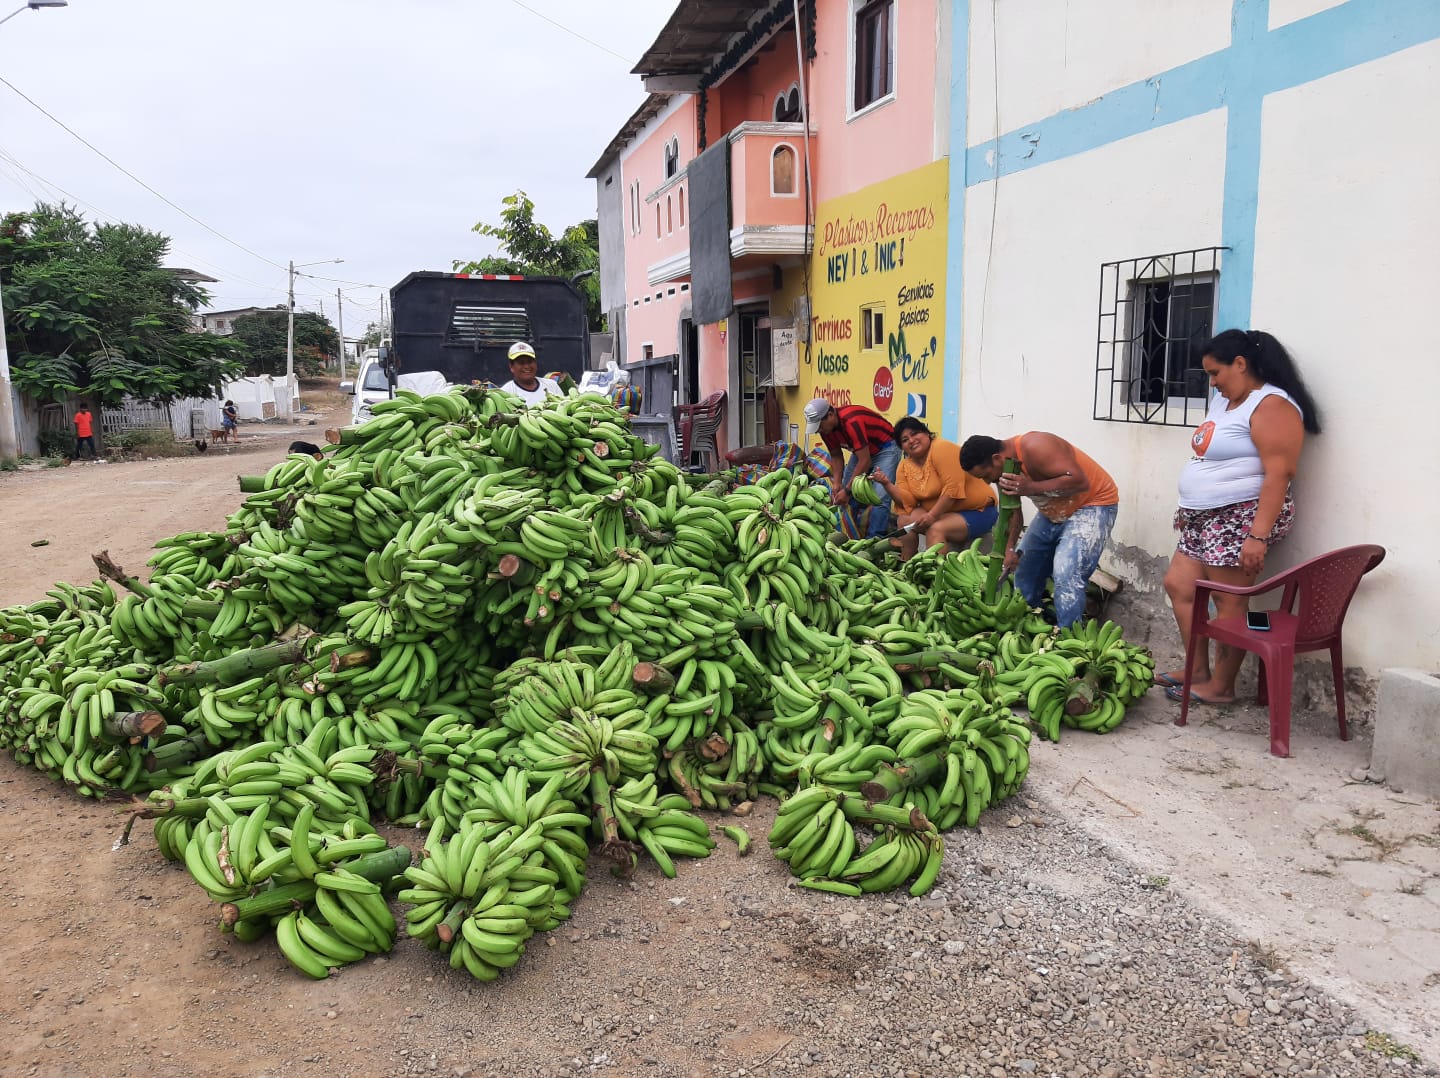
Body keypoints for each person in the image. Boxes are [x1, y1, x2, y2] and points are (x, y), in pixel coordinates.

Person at [1159, 329, 1321, 706]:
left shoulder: (1272, 405)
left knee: (1227, 600)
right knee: (1179, 585)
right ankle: (1197, 670)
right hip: (1205, 517)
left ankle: (1221, 686)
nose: (1212, 383)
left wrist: (1257, 536)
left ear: (1241, 364)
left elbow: (1280, 473)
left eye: (1215, 373)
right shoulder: (1226, 401)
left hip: (1242, 516)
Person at [960, 431, 1119, 628]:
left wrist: (1031, 487)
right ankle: (1033, 623)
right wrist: (1010, 549)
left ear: (996, 458)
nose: (986, 481)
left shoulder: (1036, 445)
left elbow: (1080, 481)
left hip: (1092, 504)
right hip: (1052, 510)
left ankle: (1069, 636)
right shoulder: (1003, 470)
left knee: (1066, 573)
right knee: (1025, 569)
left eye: (985, 475)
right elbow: (1013, 512)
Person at [870, 417, 997, 560]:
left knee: (936, 529)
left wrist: (931, 516)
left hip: (978, 511)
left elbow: (952, 489)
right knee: (904, 520)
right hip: (945, 513)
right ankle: (906, 563)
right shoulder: (904, 466)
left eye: (915, 434)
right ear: (902, 447)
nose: (911, 440)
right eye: (905, 440)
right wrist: (886, 483)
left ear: (926, 433)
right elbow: (907, 502)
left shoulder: (941, 448)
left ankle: (935, 571)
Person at [803, 398, 901, 537]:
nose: (819, 430)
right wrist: (837, 484)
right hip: (862, 450)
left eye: (820, 425)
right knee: (844, 491)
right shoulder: (826, 430)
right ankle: (851, 534)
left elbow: (865, 461)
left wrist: (847, 490)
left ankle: (874, 539)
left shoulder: (851, 421)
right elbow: (836, 455)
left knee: (880, 497)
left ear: (830, 415)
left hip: (886, 448)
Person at [500, 341, 563, 405]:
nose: (526, 366)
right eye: (521, 363)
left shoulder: (552, 385)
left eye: (529, 362)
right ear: (511, 366)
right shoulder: (506, 392)